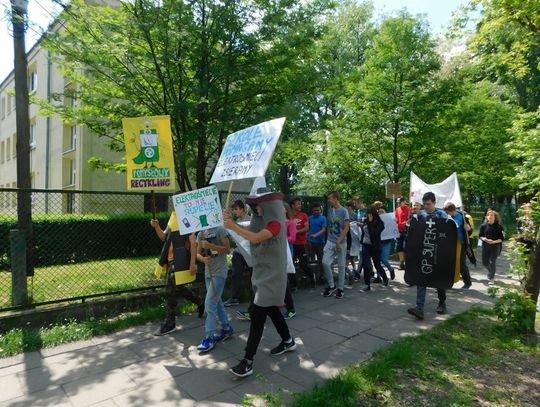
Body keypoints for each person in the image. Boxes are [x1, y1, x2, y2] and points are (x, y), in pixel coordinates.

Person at [224, 188, 296, 378]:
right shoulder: (263, 221)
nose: (257, 211)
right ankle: (288, 340)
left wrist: (232, 226)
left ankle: (247, 361)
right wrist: (230, 221)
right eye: (255, 208)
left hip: (273, 276)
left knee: (257, 315)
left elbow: (256, 237)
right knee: (271, 309)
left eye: (259, 207)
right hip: (263, 274)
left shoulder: (275, 224)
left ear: (268, 206)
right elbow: (250, 229)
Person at [150, 212, 204, 336]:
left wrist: (192, 263)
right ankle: (199, 301)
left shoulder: (188, 215)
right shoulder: (173, 215)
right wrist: (156, 227)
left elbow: (192, 241)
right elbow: (164, 237)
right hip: (170, 260)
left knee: (170, 289)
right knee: (178, 288)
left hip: (181, 260)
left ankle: (170, 323)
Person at [407, 192, 449, 320]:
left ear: (434, 202)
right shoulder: (421, 214)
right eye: (424, 204)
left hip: (436, 252)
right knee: (421, 279)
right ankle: (419, 308)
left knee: (438, 280)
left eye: (428, 204)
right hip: (425, 252)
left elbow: (447, 232)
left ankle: (442, 302)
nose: (426, 206)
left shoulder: (442, 215)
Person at [195, 226, 233, 352]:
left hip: (219, 272)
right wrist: (203, 259)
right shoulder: (201, 233)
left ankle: (209, 337)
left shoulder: (221, 230)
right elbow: (197, 254)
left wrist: (211, 246)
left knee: (209, 303)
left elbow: (228, 249)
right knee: (217, 301)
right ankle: (226, 328)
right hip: (208, 272)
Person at [321, 191, 350, 299]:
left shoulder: (344, 211)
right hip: (330, 241)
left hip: (341, 242)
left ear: (336, 199)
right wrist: (328, 240)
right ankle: (332, 285)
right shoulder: (330, 211)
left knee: (341, 266)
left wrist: (339, 240)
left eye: (330, 198)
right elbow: (329, 226)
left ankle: (340, 288)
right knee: (325, 262)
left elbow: (346, 227)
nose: (328, 201)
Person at [224, 200, 252, 307]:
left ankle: (258, 297)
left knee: (254, 275)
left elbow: (246, 232)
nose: (235, 212)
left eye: (236, 209)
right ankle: (234, 297)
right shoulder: (237, 220)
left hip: (249, 252)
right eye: (234, 209)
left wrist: (232, 223)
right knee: (236, 275)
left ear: (242, 209)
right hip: (239, 252)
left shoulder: (250, 219)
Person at [359, 205, 388, 292]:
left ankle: (385, 278)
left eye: (370, 214)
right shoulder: (366, 221)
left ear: (374, 214)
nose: (368, 216)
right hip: (366, 246)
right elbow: (364, 232)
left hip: (375, 247)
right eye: (368, 214)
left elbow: (374, 234)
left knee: (377, 265)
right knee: (366, 265)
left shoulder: (379, 223)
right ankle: (367, 285)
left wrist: (371, 223)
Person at [444, 201, 473, 289]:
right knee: (449, 264)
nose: (446, 213)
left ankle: (467, 282)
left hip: (461, 244)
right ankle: (448, 282)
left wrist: (468, 228)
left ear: (451, 211)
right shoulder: (448, 217)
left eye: (447, 212)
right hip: (451, 244)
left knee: (461, 264)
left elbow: (470, 230)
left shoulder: (463, 217)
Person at [291, 197, 314, 286]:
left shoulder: (303, 215)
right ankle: (294, 285)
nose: (300, 205)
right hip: (292, 244)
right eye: (298, 204)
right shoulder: (289, 216)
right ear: (293, 205)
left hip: (301, 243)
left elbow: (306, 228)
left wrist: (295, 232)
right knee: (291, 264)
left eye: (300, 204)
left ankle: (312, 279)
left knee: (303, 264)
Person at [479, 210, 504, 285]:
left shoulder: (499, 227)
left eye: (492, 215)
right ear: (486, 217)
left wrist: (493, 242)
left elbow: (502, 238)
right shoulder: (483, 226)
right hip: (485, 246)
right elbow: (480, 236)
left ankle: (492, 278)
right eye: (488, 215)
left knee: (492, 262)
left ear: (495, 217)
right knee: (484, 262)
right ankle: (491, 272)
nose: (489, 216)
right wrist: (484, 239)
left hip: (495, 246)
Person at [308, 201, 327, 284]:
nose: (316, 212)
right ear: (312, 210)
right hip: (310, 242)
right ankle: (312, 277)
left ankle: (321, 277)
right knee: (311, 260)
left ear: (320, 210)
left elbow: (324, 229)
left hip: (320, 242)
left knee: (321, 260)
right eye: (315, 210)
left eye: (318, 210)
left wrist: (316, 235)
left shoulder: (323, 218)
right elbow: (307, 228)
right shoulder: (310, 218)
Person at [284, 202, 298, 290]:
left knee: (287, 269)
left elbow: (293, 238)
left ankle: (290, 288)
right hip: (279, 248)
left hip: (288, 248)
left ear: (285, 210)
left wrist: (282, 239)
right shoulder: (276, 222)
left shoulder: (290, 223)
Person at [395, 197, 410, 270]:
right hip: (399, 231)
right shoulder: (397, 209)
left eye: (400, 202)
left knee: (406, 247)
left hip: (406, 231)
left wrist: (407, 222)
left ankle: (408, 263)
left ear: (404, 201)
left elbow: (410, 219)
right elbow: (396, 218)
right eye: (398, 202)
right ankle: (401, 263)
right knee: (399, 247)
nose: (398, 203)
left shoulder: (409, 209)